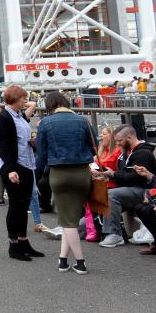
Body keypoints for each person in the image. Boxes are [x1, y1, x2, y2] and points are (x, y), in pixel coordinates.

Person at [35, 92, 96, 274]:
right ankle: (62, 260)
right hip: (82, 173)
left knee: (67, 221)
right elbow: (94, 145)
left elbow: (42, 153)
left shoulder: (46, 123)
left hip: (59, 173)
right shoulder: (83, 120)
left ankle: (80, 262)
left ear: (50, 105)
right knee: (71, 217)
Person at [0, 85, 44, 261]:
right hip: (15, 166)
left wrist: (30, 142)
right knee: (16, 205)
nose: (25, 100)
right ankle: (13, 244)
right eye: (23, 98)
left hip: (27, 163)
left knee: (24, 204)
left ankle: (23, 241)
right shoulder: (4, 118)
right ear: (15, 98)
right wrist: (10, 170)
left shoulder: (19, 116)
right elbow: (3, 146)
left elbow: (19, 139)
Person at [94, 124, 156, 248]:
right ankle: (74, 229)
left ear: (129, 137)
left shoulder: (142, 154)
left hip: (145, 192)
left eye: (119, 141)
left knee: (111, 194)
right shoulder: (127, 153)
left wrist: (113, 175)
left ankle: (114, 234)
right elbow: (124, 176)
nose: (117, 144)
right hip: (132, 190)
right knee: (99, 199)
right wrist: (108, 176)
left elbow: (137, 179)